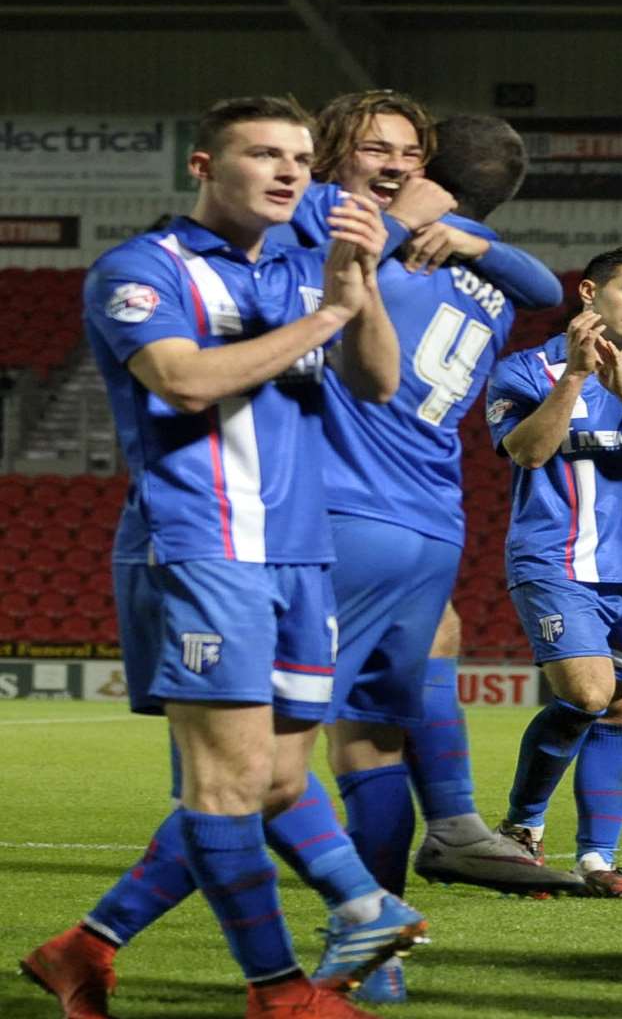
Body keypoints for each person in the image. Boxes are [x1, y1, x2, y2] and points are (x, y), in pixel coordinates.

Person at [23, 96, 402, 1019]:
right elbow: (181, 379)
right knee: (226, 785)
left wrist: (363, 288)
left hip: (300, 555)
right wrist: (323, 319)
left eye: (302, 160)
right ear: (203, 166)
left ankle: (83, 948)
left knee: (276, 781)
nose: (288, 173)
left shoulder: (304, 271)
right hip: (202, 548)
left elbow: (380, 382)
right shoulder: (140, 269)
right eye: (264, 154)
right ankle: (282, 990)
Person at [315, 113, 583, 1002]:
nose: (393, 165)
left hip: (341, 495)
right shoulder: (483, 260)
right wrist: (462, 225)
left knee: (255, 755)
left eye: (409, 153)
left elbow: (321, 291)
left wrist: (394, 218)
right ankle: (446, 842)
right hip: (432, 505)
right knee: (397, 698)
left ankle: (111, 926)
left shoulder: (371, 234)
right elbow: (547, 283)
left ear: (430, 170)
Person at [485, 244, 622, 900]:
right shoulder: (523, 369)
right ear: (588, 292)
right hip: (553, 560)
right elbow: (525, 451)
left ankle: (598, 860)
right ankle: (521, 828)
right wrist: (575, 379)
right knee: (587, 693)